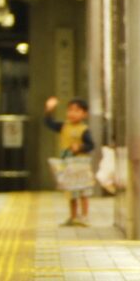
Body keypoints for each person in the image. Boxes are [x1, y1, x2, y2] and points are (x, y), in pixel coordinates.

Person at [43, 96, 94, 226]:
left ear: (84, 114)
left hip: (81, 164)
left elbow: (91, 145)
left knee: (83, 190)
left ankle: (85, 216)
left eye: (77, 111)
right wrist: (49, 109)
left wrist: (80, 147)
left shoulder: (84, 129)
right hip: (68, 163)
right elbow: (49, 123)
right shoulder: (64, 126)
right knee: (71, 191)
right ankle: (73, 216)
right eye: (70, 110)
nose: (72, 113)